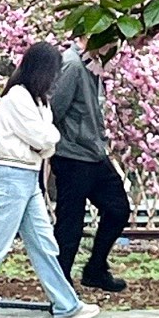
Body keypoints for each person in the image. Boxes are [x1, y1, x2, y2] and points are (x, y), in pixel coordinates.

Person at [0, 43, 101, 318]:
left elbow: (46, 139)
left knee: (44, 243)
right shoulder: (17, 97)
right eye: (53, 71)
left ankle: (66, 306)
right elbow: (44, 138)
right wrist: (46, 142)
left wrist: (46, 142)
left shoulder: (37, 100)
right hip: (11, 175)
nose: (56, 77)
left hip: (28, 176)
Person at [49, 39, 131, 292]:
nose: (112, 47)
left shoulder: (92, 65)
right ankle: (60, 288)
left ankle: (95, 268)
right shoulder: (71, 65)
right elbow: (54, 110)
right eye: (109, 41)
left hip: (94, 153)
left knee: (118, 209)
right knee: (70, 223)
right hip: (72, 155)